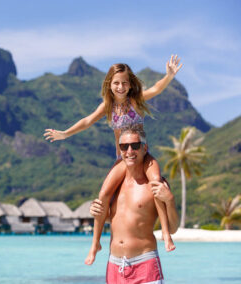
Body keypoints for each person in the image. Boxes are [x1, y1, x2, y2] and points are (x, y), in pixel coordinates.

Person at [44, 55, 182, 255]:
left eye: (124, 83)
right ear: (109, 84)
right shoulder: (107, 107)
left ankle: (166, 234)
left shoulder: (135, 100)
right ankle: (95, 244)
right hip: (122, 159)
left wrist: (168, 76)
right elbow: (87, 121)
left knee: (156, 185)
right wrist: (65, 134)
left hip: (144, 155)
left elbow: (157, 88)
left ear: (129, 84)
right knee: (103, 195)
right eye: (116, 83)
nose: (120, 87)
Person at [90, 126, 179, 283]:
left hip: (145, 265)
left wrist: (170, 200)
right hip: (114, 266)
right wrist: (97, 211)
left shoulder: (156, 185)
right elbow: (116, 219)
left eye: (135, 146)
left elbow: (173, 228)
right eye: (124, 147)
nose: (129, 151)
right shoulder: (115, 185)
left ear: (145, 148)